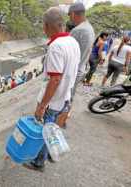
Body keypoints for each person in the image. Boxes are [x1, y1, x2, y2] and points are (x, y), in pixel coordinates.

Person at [25, 7, 80, 171]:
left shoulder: (56, 46)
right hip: (65, 96)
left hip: (54, 100)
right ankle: (51, 153)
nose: (43, 29)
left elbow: (55, 79)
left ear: (47, 25)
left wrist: (42, 105)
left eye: (43, 25)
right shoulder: (72, 42)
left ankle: (38, 162)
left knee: (45, 130)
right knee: (53, 127)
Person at [57, 2, 95, 127]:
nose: (69, 18)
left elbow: (66, 53)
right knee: (69, 96)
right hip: (81, 68)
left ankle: (59, 123)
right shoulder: (89, 28)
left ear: (73, 14)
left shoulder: (78, 31)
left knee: (65, 97)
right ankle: (63, 119)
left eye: (69, 15)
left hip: (72, 71)